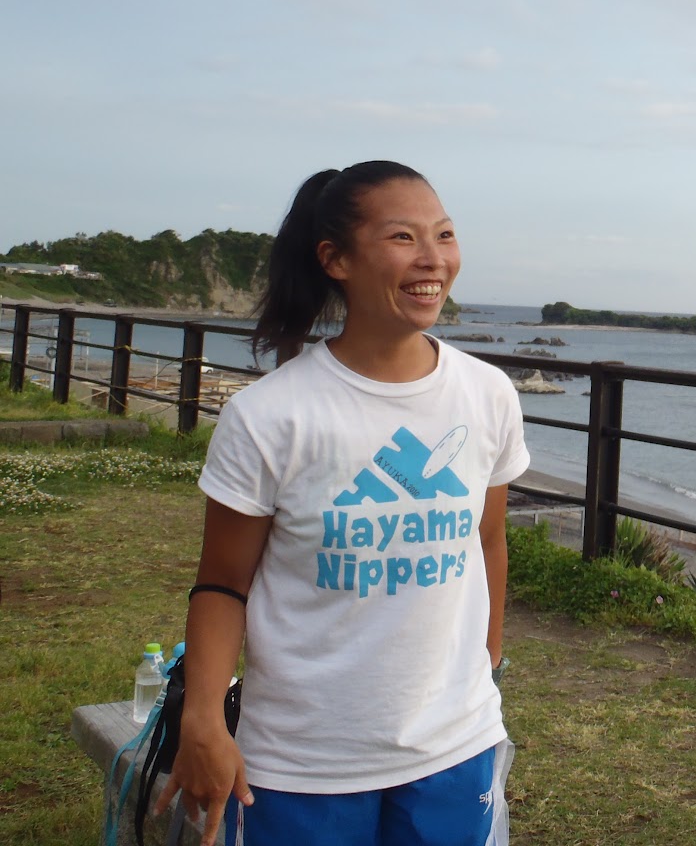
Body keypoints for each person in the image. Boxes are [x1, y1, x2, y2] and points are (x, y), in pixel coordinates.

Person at [155, 160, 530, 846]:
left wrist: (488, 665)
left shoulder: (487, 394)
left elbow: (488, 540)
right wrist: (202, 719)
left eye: (444, 235)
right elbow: (222, 584)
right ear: (336, 259)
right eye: (403, 237)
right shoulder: (271, 416)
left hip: (455, 744)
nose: (433, 258)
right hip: (302, 761)